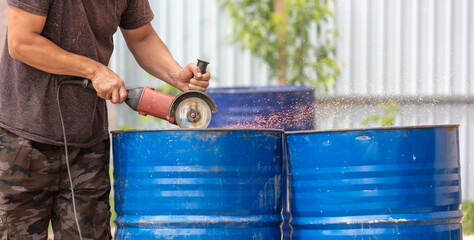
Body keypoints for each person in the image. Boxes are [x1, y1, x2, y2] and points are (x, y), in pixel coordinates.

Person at [0, 0, 211, 239]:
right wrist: (94, 70)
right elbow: (21, 42)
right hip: (24, 140)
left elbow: (141, 37)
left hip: (87, 143)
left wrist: (176, 75)